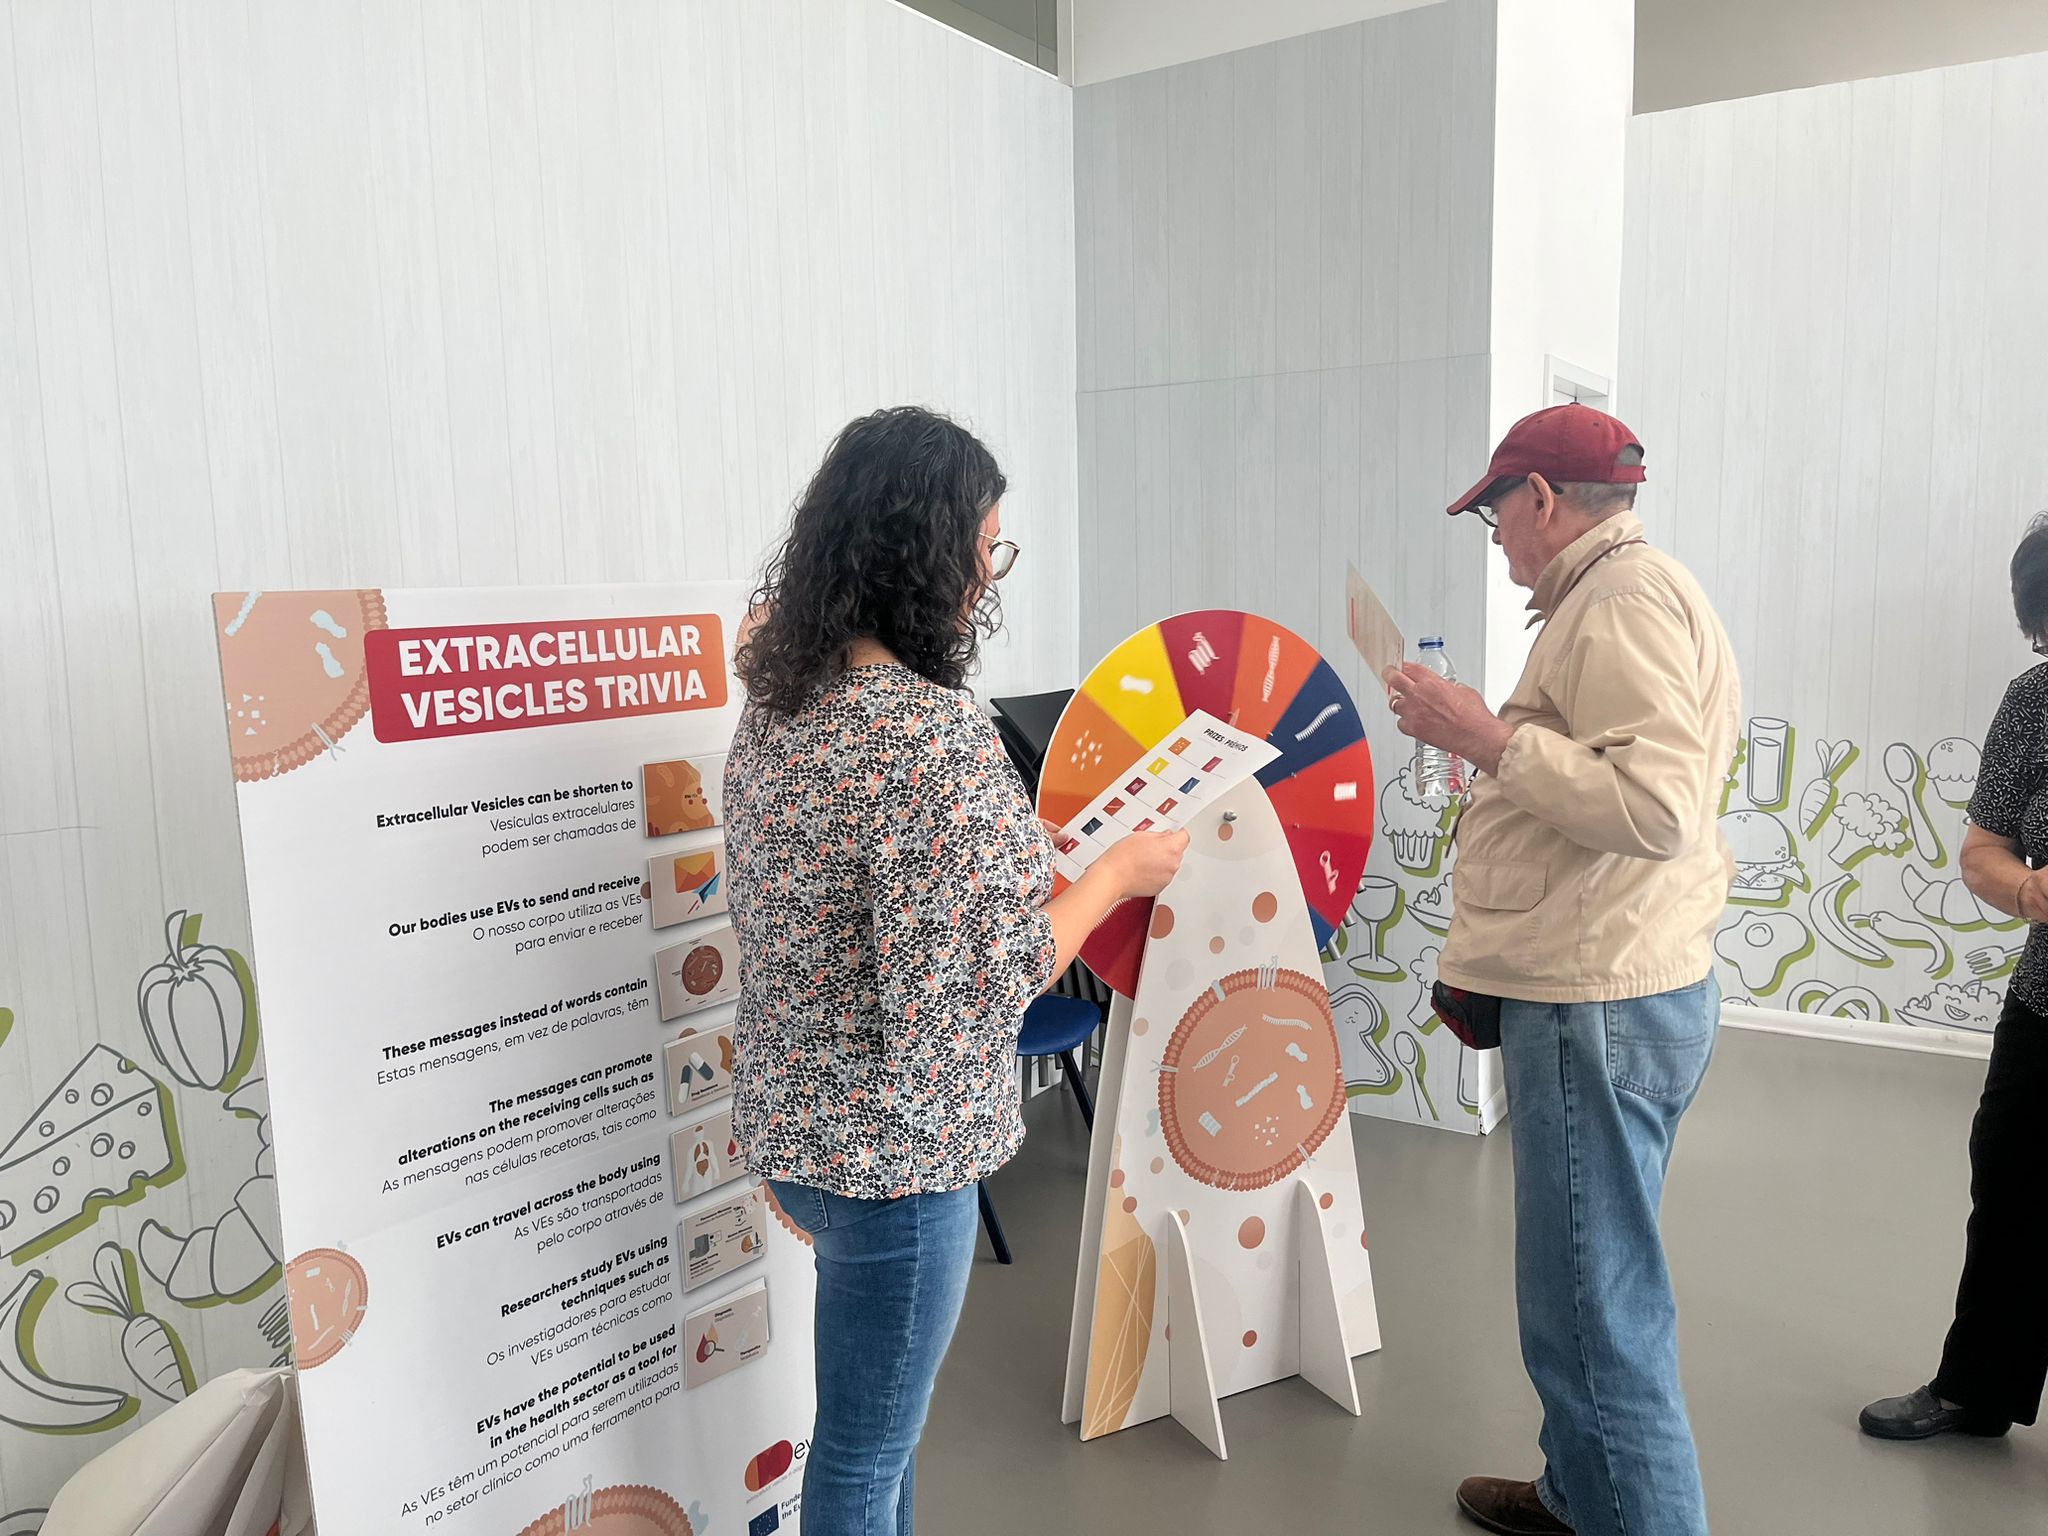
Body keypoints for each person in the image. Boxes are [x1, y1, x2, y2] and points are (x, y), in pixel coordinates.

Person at [724, 406, 1187, 1536]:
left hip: (799, 1133)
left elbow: (846, 911)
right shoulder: (931, 736)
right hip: (899, 1161)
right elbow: (991, 981)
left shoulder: (779, 711)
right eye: (986, 547)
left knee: (874, 1440)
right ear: (928, 556)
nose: (989, 576)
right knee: (861, 1457)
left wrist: (1020, 859)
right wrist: (1118, 873)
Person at [1385, 403, 1740, 1536]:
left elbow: (1655, 808)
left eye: (1494, 512)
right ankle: (1580, 1495)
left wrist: (1484, 738)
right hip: (1610, 981)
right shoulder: (1623, 594)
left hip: (1599, 998)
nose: (1494, 536)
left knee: (1596, 1312)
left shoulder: (1620, 602)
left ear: (1539, 498)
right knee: (1579, 1287)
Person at [1859, 514, 2048, 1445]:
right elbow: (1981, 853)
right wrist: (2029, 890)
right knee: (2009, 1191)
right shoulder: (2034, 702)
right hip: (2043, 1003)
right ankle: (1978, 1388)